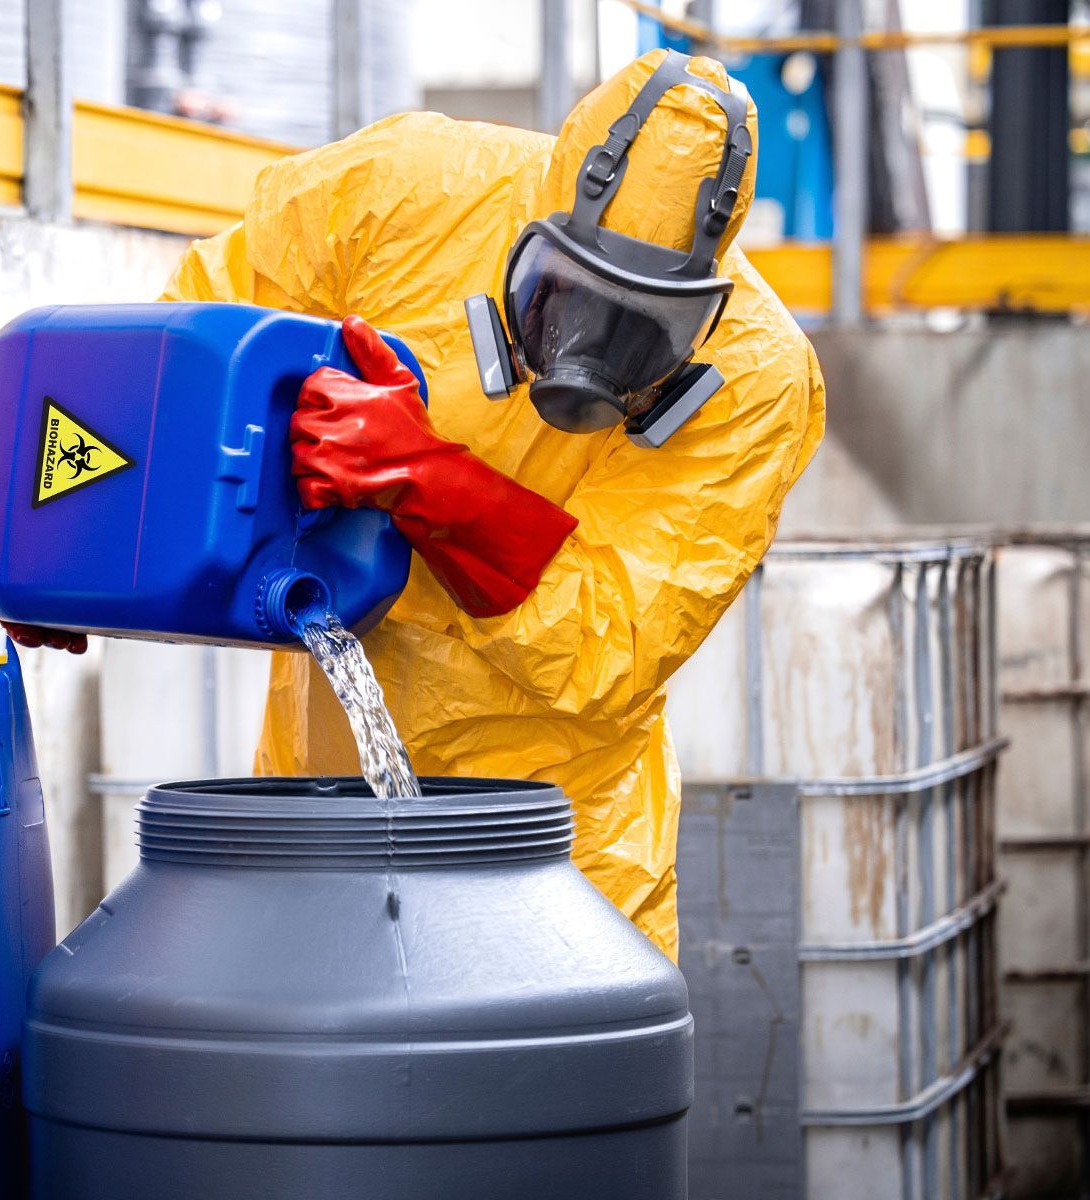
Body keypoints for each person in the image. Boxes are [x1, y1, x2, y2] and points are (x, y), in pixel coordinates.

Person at [149, 49, 826, 960]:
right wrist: (71, 545)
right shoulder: (398, 196)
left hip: (555, 858)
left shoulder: (753, 379)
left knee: (539, 1095)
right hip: (325, 807)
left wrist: (427, 479)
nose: (586, 347)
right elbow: (191, 353)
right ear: (533, 216)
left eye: (642, 324)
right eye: (566, 294)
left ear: (706, 304)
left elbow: (606, 640)